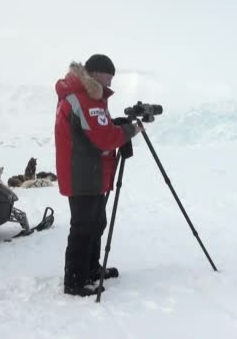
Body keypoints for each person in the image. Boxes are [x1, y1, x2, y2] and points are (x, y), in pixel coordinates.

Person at [55, 54, 142, 296]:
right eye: (108, 77)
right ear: (95, 74)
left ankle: (91, 269)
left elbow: (96, 129)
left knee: (95, 223)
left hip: (90, 173)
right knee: (83, 226)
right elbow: (103, 138)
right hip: (83, 174)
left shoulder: (88, 96)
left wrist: (116, 125)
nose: (111, 83)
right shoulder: (84, 99)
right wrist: (130, 130)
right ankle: (75, 281)